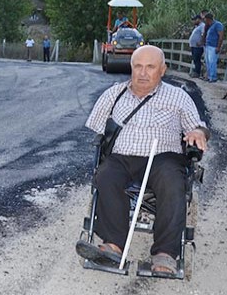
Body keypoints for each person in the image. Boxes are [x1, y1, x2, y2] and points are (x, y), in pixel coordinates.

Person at [77, 45, 210, 275]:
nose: (143, 73)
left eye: (150, 67)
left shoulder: (177, 96)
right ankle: (113, 245)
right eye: (138, 66)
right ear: (131, 68)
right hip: (122, 157)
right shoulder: (114, 94)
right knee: (106, 175)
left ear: (163, 69)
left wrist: (198, 132)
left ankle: (166, 254)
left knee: (172, 180)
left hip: (163, 157)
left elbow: (199, 127)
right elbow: (98, 131)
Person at [203, 13, 224, 83]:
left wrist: (218, 47)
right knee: (208, 62)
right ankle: (209, 76)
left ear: (208, 19)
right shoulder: (209, 26)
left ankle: (213, 77)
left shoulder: (218, 24)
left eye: (205, 19)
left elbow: (221, 36)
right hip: (208, 46)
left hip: (213, 46)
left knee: (212, 62)